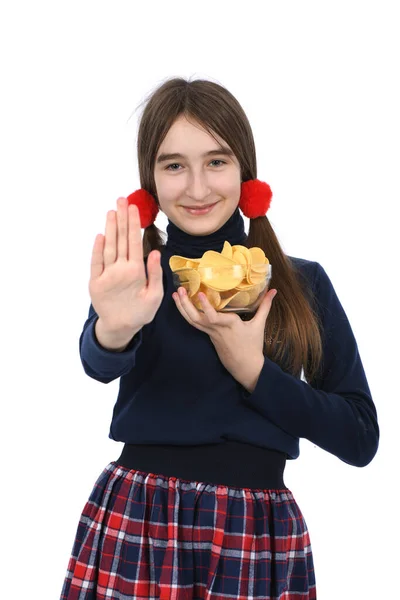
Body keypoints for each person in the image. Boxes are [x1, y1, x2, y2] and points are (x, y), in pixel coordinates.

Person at [60, 77, 379, 600]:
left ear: (245, 174)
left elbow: (360, 438)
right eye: (174, 165)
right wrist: (113, 329)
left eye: (216, 161)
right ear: (151, 182)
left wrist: (254, 372)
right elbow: (98, 362)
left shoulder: (302, 284)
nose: (198, 188)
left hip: (255, 534)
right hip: (140, 522)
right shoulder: (136, 278)